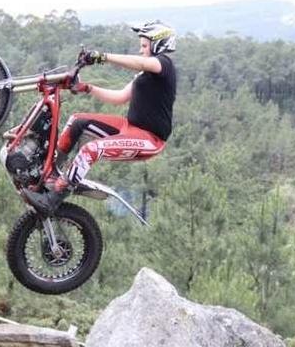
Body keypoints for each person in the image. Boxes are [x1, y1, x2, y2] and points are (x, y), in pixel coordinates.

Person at [22, 21, 178, 214]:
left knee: (90, 150)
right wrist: (87, 88)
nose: (140, 50)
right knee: (77, 121)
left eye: (144, 46)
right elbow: (119, 98)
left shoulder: (164, 64)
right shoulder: (144, 74)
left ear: (158, 45)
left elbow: (142, 62)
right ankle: (49, 174)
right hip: (128, 128)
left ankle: (53, 199)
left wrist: (103, 57)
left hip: (149, 140)